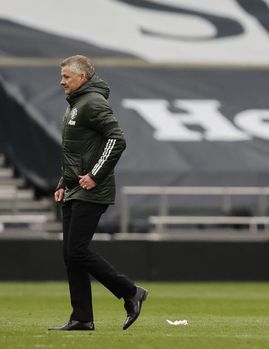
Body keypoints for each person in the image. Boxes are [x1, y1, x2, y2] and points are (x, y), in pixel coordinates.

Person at [49, 55, 147, 331]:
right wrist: (62, 182)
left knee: (77, 251)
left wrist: (94, 175)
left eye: (66, 76)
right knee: (71, 254)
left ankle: (130, 291)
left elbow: (117, 139)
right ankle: (82, 317)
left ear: (82, 77)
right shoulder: (77, 104)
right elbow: (78, 152)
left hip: (92, 189)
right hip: (74, 188)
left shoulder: (92, 103)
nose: (61, 81)